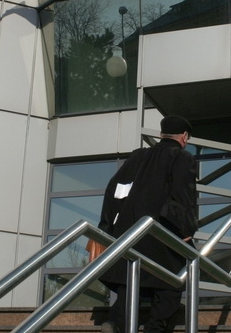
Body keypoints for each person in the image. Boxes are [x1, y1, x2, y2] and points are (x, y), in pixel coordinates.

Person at [95, 115, 198, 333]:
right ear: (184, 136)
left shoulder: (138, 156)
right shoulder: (182, 157)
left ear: (161, 134)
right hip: (163, 231)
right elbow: (182, 195)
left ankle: (116, 322)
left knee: (132, 280)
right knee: (173, 283)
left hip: (131, 231)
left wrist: (107, 226)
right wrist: (186, 229)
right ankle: (154, 327)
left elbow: (115, 188)